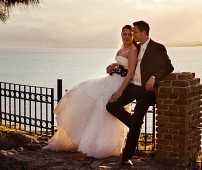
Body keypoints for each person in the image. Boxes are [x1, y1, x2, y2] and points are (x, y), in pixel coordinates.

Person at [44, 25, 140, 158]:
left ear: (133, 36)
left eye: (130, 34)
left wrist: (120, 91)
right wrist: (113, 66)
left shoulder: (133, 50)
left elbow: (130, 72)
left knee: (106, 111)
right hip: (111, 80)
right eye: (125, 34)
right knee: (88, 97)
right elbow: (122, 64)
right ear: (121, 35)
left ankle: (105, 145)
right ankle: (91, 141)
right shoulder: (122, 48)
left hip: (119, 84)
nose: (127, 37)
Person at [105, 20, 174, 166]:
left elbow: (168, 67)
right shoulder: (135, 46)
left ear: (143, 32)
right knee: (111, 106)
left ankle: (126, 158)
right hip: (132, 87)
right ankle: (134, 124)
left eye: (135, 32)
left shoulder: (157, 48)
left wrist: (154, 77)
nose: (132, 35)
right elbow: (130, 61)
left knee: (136, 121)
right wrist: (115, 64)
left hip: (145, 91)